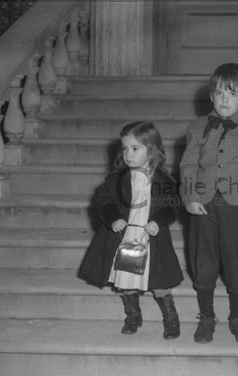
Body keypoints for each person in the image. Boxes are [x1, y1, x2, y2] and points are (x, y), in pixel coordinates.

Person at [180, 63, 238, 344]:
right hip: (203, 204)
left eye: (231, 93)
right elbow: (188, 165)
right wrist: (190, 197)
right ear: (211, 96)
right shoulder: (196, 127)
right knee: (202, 259)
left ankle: (237, 316)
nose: (224, 99)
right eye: (219, 93)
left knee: (236, 260)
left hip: (237, 205)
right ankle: (207, 316)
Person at [78, 121, 183, 340]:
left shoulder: (164, 181)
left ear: (152, 151)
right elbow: (103, 200)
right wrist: (112, 217)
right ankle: (133, 315)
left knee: (159, 280)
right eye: (125, 148)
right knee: (127, 278)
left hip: (151, 237)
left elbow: (172, 206)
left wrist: (159, 220)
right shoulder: (117, 179)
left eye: (135, 148)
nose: (128, 154)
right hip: (127, 236)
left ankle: (171, 317)